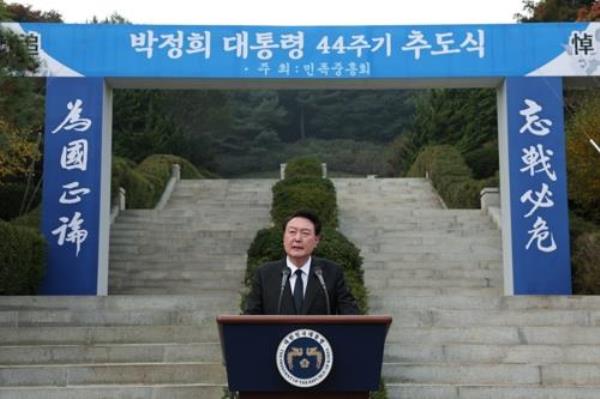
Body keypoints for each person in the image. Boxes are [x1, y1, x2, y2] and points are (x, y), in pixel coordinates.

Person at [244, 210, 359, 315]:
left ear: (316, 240)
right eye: (292, 232)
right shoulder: (265, 274)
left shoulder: (331, 273)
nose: (297, 238)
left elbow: (351, 314)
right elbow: (250, 317)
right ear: (283, 237)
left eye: (305, 233)